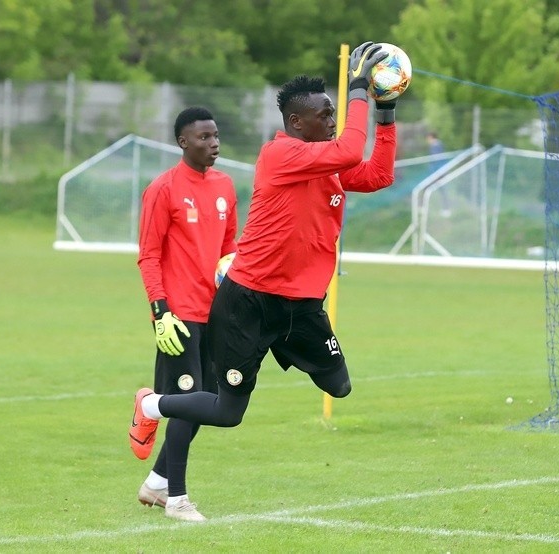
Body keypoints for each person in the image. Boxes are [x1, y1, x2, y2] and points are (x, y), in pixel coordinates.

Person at [128, 42, 397, 488]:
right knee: (227, 412)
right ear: (296, 122)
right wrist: (358, 89)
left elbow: (378, 174)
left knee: (340, 386)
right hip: (249, 302)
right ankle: (151, 408)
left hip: (302, 306)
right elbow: (351, 150)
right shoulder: (281, 155)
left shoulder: (326, 162)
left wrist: (385, 113)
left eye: (335, 113)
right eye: (325, 115)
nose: (332, 121)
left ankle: (158, 479)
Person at [132, 106, 238, 522]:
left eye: (215, 136)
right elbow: (148, 256)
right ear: (183, 142)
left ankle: (156, 483)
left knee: (204, 403)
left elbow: (230, 249)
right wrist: (160, 312)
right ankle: (176, 499)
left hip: (215, 314)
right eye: (203, 137)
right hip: (178, 316)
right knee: (184, 401)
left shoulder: (226, 186)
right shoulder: (163, 189)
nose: (213, 144)